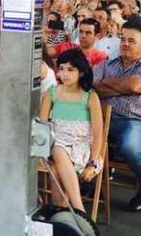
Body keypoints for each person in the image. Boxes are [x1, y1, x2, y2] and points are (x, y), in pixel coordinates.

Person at [93, 20, 141, 212]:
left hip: (134, 121)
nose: (125, 44)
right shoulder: (107, 63)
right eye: (123, 39)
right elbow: (92, 86)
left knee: (130, 148)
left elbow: (136, 86)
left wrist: (106, 84)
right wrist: (122, 88)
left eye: (132, 41)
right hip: (102, 118)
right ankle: (87, 184)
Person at [38, 49, 104, 212]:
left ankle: (63, 217)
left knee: (55, 170)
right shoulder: (52, 93)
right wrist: (40, 154)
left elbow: (98, 135)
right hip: (55, 147)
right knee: (59, 150)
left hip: (82, 150)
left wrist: (92, 163)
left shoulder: (90, 96)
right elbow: (42, 127)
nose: (64, 74)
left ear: (81, 72)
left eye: (70, 70)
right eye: (61, 69)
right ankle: (79, 210)